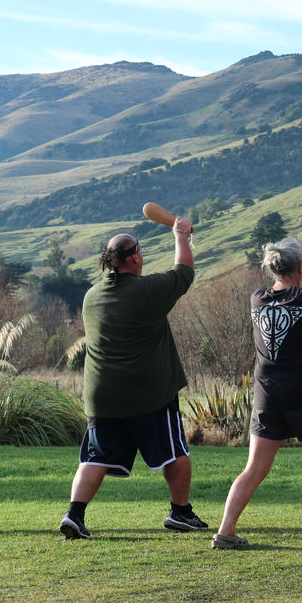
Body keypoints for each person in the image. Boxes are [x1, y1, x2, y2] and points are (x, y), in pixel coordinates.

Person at [212, 222, 302, 550]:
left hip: (267, 397)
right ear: (301, 267)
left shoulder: (257, 299)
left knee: (254, 469)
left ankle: (226, 531)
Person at [60, 217, 209, 539]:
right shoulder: (148, 291)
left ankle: (75, 514)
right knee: (175, 453)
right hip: (149, 393)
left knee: (95, 457)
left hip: (101, 396)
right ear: (136, 257)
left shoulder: (91, 297)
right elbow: (184, 271)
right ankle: (181, 512)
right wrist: (180, 235)